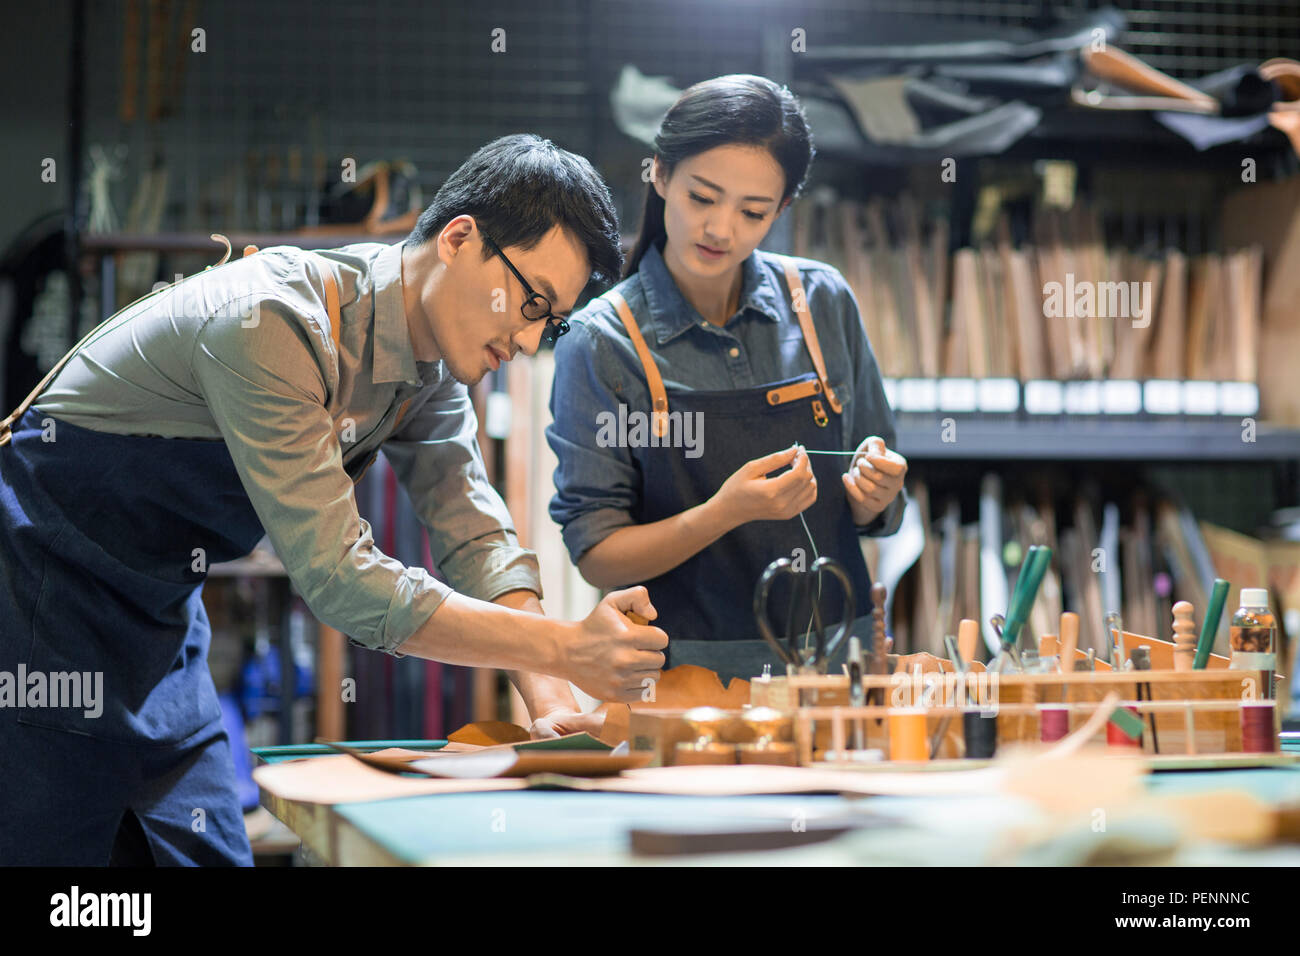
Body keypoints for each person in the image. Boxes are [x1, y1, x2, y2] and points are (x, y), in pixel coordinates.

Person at [0, 134, 667, 866]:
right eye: (532, 300)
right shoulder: (272, 322)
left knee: (204, 851)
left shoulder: (433, 372)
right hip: (38, 602)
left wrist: (557, 710)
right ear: (459, 238)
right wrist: (569, 645)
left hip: (157, 617)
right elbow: (342, 582)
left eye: (554, 319)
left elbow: (476, 539)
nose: (534, 338)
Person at [547, 76, 908, 682]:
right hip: (689, 687)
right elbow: (600, 556)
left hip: (836, 675)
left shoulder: (823, 304)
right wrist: (724, 512)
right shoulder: (602, 343)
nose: (721, 229)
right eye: (702, 197)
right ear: (660, 175)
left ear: (784, 208)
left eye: (753, 211)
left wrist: (879, 496)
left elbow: (884, 499)